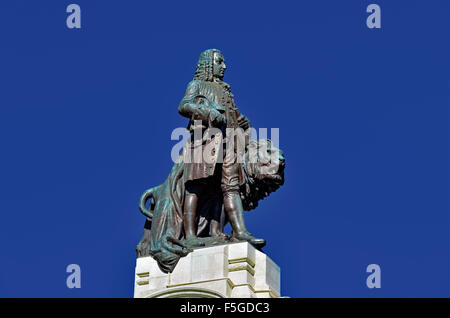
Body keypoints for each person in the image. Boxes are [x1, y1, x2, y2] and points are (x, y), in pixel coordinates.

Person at [178, 49, 266, 248]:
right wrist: (208, 112)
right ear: (208, 64)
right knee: (196, 186)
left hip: (230, 144)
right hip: (205, 140)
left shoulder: (225, 90)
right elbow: (184, 106)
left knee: (229, 187)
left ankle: (238, 231)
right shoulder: (197, 85)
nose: (224, 66)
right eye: (220, 62)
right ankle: (190, 235)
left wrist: (244, 123)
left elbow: (233, 114)